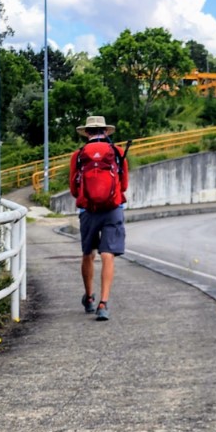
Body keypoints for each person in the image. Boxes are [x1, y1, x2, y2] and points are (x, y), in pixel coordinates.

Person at [68, 115, 127, 321]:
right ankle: (103, 303)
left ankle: (90, 298)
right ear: (105, 131)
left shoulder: (78, 155)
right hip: (113, 208)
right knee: (107, 254)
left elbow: (74, 189)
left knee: (88, 253)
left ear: (87, 133)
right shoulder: (118, 152)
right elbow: (124, 185)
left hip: (88, 210)